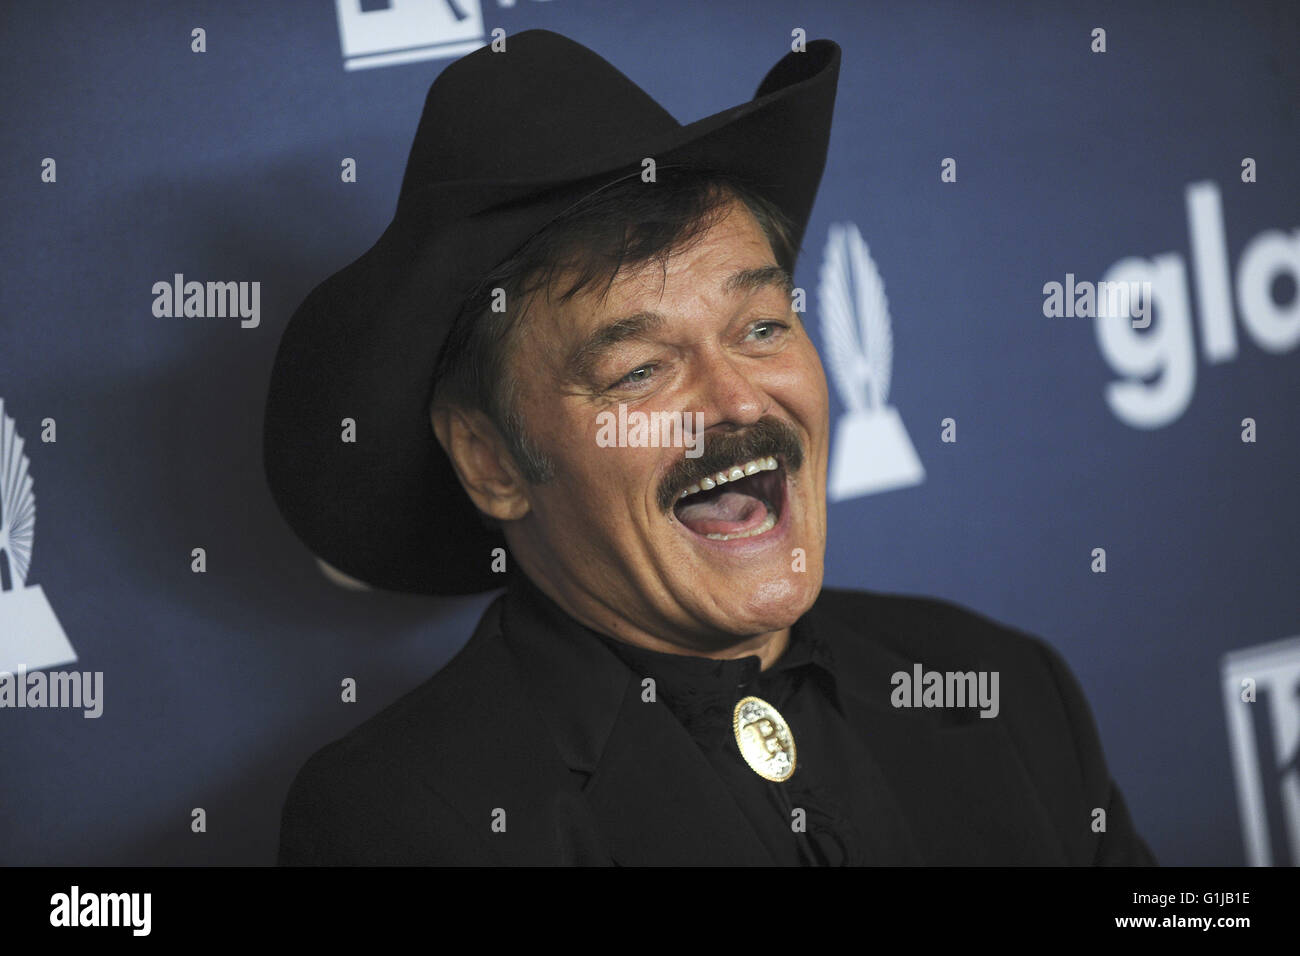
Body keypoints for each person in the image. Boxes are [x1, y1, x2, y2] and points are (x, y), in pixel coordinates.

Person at [264, 29, 1154, 865]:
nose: (735, 400)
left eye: (762, 326)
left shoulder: (994, 681)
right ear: (491, 460)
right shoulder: (407, 826)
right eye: (640, 371)